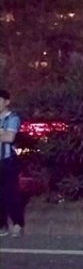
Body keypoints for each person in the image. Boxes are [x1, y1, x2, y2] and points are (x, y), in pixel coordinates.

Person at [0, 89, 23, 237]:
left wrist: (4, 134)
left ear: (7, 102)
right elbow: (5, 135)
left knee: (9, 193)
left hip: (7, 161)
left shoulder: (12, 118)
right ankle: (2, 225)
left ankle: (17, 223)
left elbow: (10, 138)